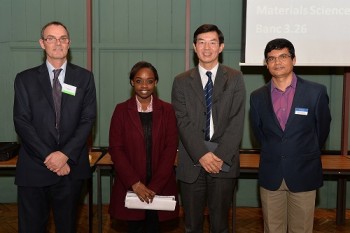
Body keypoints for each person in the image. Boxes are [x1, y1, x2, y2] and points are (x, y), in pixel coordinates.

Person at [13, 21, 97, 233]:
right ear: (42, 43)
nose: (57, 43)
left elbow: (88, 119)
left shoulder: (84, 78)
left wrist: (65, 155)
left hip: (70, 169)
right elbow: (22, 121)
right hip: (34, 167)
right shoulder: (25, 79)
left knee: (67, 227)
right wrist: (51, 156)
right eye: (51, 38)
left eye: (63, 38)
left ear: (69, 43)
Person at [250, 38, 331, 233]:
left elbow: (322, 131)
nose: (277, 62)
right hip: (271, 174)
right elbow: (259, 133)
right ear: (266, 64)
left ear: (293, 60)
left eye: (283, 56)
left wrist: (301, 150)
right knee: (272, 229)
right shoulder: (257, 96)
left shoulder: (316, 92)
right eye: (271, 58)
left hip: (304, 172)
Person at [171, 24, 246, 233]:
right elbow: (182, 121)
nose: (207, 48)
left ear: (221, 47)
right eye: (201, 42)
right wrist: (202, 154)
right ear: (195, 47)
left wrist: (219, 156)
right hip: (192, 163)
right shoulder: (181, 81)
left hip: (224, 162)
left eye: (212, 42)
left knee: (220, 225)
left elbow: (236, 120)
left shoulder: (235, 78)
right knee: (192, 225)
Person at [108, 61, 179, 233]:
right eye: (139, 81)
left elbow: (171, 149)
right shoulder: (121, 110)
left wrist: (155, 186)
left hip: (159, 187)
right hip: (131, 186)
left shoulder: (168, 110)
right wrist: (135, 183)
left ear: (156, 82)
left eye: (149, 81)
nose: (144, 86)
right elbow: (116, 149)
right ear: (132, 82)